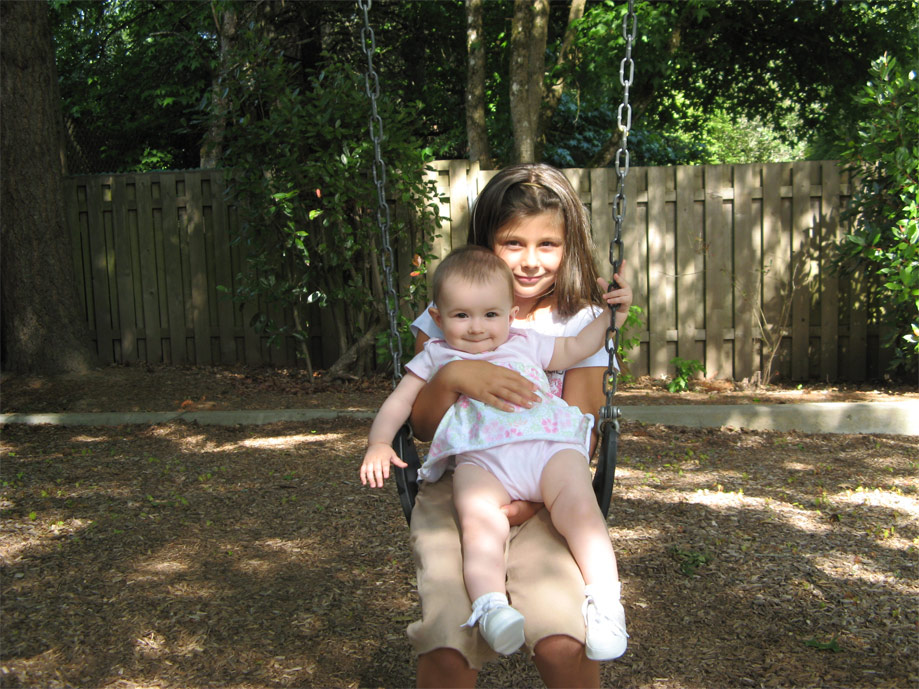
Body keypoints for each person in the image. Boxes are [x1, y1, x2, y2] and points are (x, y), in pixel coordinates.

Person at [391, 163, 632, 687]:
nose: (529, 261)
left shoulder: (575, 321)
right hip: (467, 481)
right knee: (448, 640)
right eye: (512, 243)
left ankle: (601, 610)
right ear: (487, 242)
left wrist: (533, 503)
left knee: (564, 638)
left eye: (548, 244)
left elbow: (583, 430)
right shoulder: (449, 314)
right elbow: (424, 427)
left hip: (548, 480)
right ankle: (484, 614)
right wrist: (454, 376)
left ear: (569, 246)